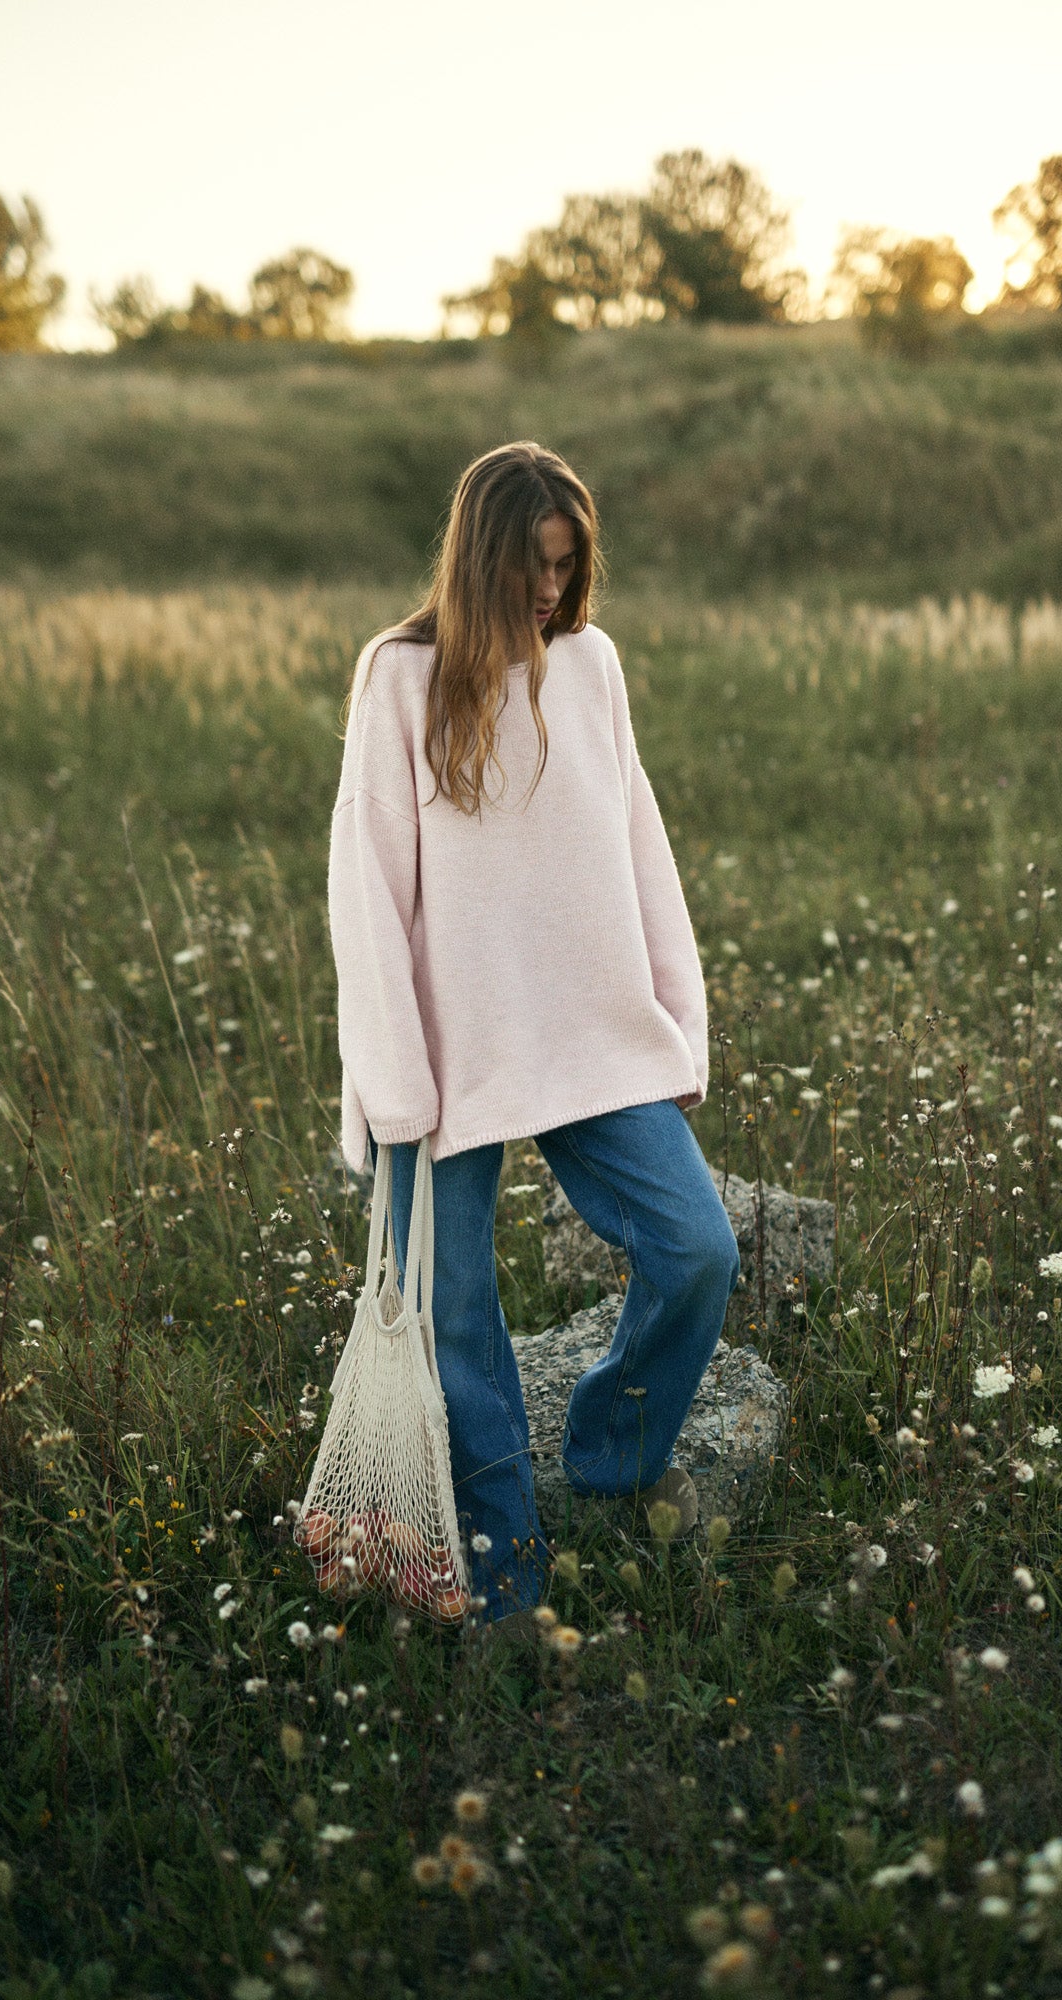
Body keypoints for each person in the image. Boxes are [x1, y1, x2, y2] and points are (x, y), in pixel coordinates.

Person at [327, 440, 740, 1624]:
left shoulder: (592, 665)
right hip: (447, 1057)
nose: (552, 589)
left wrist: (678, 1019)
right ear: (481, 557)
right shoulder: (400, 675)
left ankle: (610, 1457)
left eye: (568, 564)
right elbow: (368, 891)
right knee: (455, 1316)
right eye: (533, 565)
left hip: (595, 1030)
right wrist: (395, 1086)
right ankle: (505, 1570)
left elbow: (638, 839)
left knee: (698, 1248)